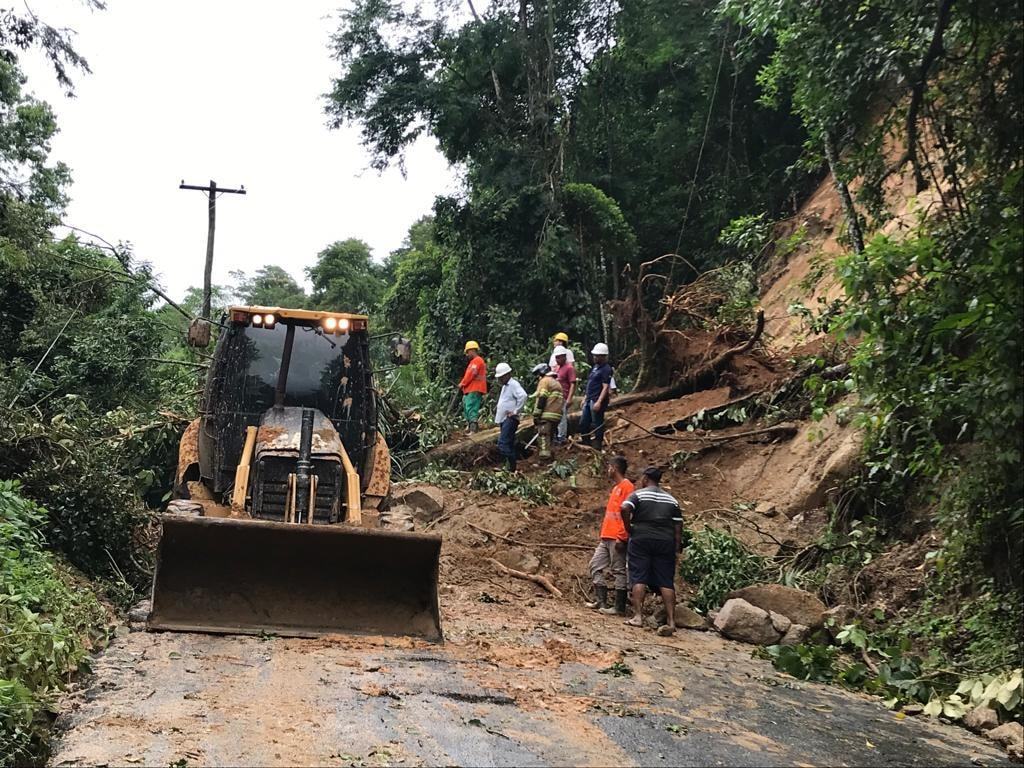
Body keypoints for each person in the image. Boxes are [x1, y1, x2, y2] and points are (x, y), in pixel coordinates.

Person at [620, 466, 684, 636]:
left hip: (641, 539)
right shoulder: (671, 500)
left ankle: (638, 617)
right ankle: (671, 621)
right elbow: (678, 526)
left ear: (646, 479)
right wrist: (676, 549)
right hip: (665, 542)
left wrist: (629, 528)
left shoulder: (638, 495)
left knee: (638, 575)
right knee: (666, 581)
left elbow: (625, 508)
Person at [584, 455, 634, 615]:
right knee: (594, 565)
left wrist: (622, 536)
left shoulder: (627, 487)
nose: (607, 470)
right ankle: (601, 601)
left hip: (617, 537)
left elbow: (628, 514)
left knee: (619, 570)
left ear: (614, 468)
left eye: (609, 467)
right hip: (606, 536)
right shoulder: (615, 488)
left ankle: (619, 608)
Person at [494, 362, 527, 472]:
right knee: (508, 443)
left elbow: (523, 396)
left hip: (510, 419)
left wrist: (516, 411)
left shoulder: (513, 384)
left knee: (503, 444)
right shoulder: (506, 386)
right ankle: (510, 467)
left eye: (501, 377)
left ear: (507, 374)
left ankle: (511, 466)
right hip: (504, 419)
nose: (500, 380)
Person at [579, 342, 613, 450]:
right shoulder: (595, 368)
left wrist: (599, 401)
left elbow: (605, 387)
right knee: (584, 422)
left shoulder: (606, 369)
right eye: (594, 355)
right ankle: (586, 443)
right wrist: (585, 397)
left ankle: (598, 445)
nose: (594, 357)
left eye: (597, 356)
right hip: (589, 399)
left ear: (603, 356)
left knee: (597, 422)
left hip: (596, 399)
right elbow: (590, 383)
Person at [530, 363, 563, 461]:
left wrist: (536, 414)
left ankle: (544, 461)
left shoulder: (545, 381)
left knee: (543, 437)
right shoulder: (556, 382)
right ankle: (552, 460)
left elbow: (542, 397)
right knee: (550, 438)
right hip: (556, 415)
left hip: (546, 414)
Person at [458, 341, 487, 434]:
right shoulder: (473, 362)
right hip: (470, 389)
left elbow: (471, 374)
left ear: (472, 350)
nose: (467, 354)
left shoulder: (477, 361)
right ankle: (470, 426)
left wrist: (462, 383)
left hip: (475, 389)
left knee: (471, 408)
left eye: (467, 352)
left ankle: (473, 429)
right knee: (467, 407)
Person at [552, 345, 576, 444]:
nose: (557, 359)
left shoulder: (569, 368)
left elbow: (573, 383)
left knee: (562, 418)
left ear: (564, 356)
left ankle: (561, 437)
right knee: (555, 417)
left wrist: (569, 398)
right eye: (556, 357)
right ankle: (556, 436)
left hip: (564, 397)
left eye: (559, 357)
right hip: (556, 398)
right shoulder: (558, 368)